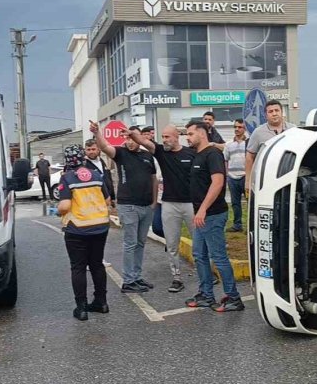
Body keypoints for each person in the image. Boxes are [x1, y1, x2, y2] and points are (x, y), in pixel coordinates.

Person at [126, 124, 196, 293]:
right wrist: (132, 134)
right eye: (162, 137)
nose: (164, 140)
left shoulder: (191, 153)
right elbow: (144, 141)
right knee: (172, 244)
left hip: (191, 204)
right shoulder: (161, 152)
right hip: (169, 204)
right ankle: (177, 278)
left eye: (167, 137)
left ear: (176, 136)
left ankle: (206, 273)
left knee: (199, 241)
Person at [183, 121, 244, 312]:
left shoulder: (213, 154)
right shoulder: (197, 155)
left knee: (218, 257)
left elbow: (217, 183)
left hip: (213, 215)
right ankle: (206, 295)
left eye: (191, 134)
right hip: (202, 216)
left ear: (202, 134)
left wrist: (202, 209)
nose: (188, 137)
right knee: (199, 255)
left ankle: (234, 298)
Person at [91, 120, 158, 293]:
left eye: (132, 138)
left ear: (139, 138)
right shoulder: (120, 153)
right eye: (126, 138)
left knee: (141, 243)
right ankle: (128, 281)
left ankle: (136, 276)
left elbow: (153, 179)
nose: (129, 141)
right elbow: (105, 146)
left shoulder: (147, 156)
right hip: (128, 205)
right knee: (130, 243)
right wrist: (97, 133)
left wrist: (153, 202)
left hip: (146, 206)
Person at [56, 144, 112, 320]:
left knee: (78, 267)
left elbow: (65, 205)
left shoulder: (67, 178)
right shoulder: (96, 175)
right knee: (97, 264)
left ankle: (81, 308)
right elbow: (108, 200)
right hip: (100, 226)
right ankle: (101, 303)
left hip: (77, 229)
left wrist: (58, 210)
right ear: (83, 157)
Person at [245, 100, 296, 192]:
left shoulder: (293, 130)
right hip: (265, 179)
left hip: (288, 176)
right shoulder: (258, 132)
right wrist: (248, 180)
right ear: (266, 115)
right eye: (270, 111)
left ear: (282, 112)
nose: (274, 114)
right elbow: (249, 157)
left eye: (277, 110)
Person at [84, 138, 116, 268]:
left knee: (101, 232)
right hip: (90, 204)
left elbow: (107, 180)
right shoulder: (84, 165)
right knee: (90, 232)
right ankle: (88, 260)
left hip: (104, 202)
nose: (91, 152)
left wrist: (112, 198)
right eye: (88, 149)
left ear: (98, 149)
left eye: (93, 149)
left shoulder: (102, 162)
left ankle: (98, 258)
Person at [224, 119, 248, 232]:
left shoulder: (249, 142)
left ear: (244, 129)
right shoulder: (229, 144)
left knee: (249, 203)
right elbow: (225, 160)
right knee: (235, 203)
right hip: (232, 177)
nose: (237, 129)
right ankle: (237, 225)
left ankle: (250, 227)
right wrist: (226, 175)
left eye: (239, 127)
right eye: (235, 127)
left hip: (245, 176)